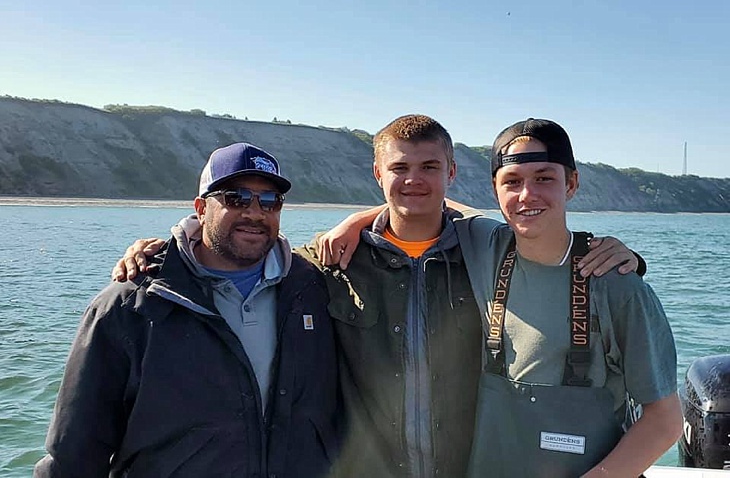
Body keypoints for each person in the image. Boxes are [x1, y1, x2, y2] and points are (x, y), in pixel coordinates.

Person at [113, 115, 641, 478]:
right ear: (377, 174)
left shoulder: (486, 254)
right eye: (400, 169)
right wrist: (171, 249)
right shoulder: (329, 262)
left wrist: (622, 258)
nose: (414, 180)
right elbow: (242, 255)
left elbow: (535, 235)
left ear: (451, 173)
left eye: (429, 167)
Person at [35, 143, 341, 478]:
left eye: (270, 200)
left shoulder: (313, 287)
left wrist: (356, 220)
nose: (255, 213)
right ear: (201, 208)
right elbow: (74, 451)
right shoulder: (131, 306)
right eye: (236, 198)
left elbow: (385, 234)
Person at [456, 119, 681, 477]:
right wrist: (360, 223)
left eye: (544, 178)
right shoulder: (486, 246)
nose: (527, 195)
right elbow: (417, 200)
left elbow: (665, 420)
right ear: (494, 190)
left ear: (572, 183)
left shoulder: (616, 285)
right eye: (512, 182)